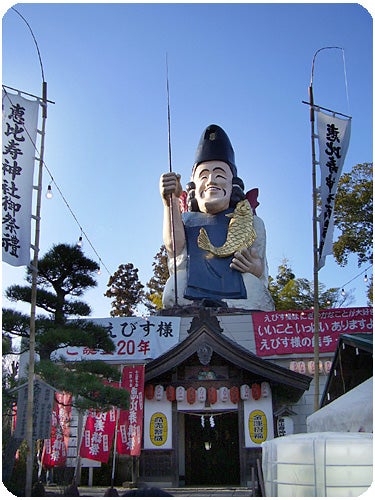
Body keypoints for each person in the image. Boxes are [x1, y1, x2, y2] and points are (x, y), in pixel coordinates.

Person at [160, 124, 274, 311]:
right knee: (173, 288)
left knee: (257, 292)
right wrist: (169, 202)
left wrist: (256, 268)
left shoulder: (252, 222)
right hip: (193, 284)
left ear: (232, 184)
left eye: (220, 174)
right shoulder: (187, 220)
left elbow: (260, 269)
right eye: (203, 176)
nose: (211, 180)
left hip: (238, 287)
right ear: (194, 187)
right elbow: (174, 250)